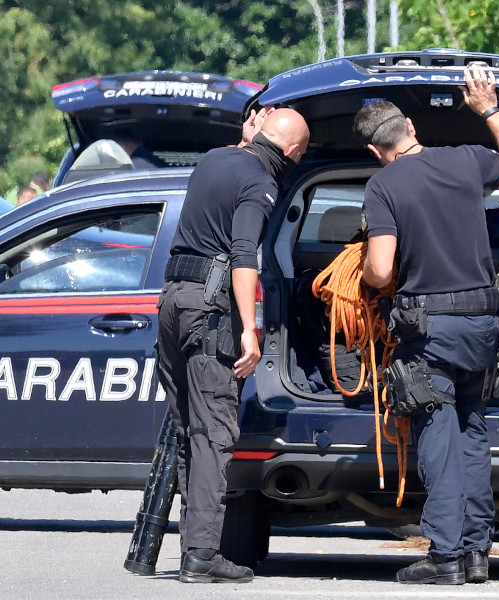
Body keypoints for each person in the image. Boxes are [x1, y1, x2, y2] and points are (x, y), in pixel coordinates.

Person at [353, 65, 499, 585]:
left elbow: (382, 269)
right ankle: (478, 551)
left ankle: (445, 555)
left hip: (429, 330)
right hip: (482, 323)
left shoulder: (382, 186)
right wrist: (489, 110)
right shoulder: (465, 161)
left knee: (436, 433)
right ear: (411, 126)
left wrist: (366, 268)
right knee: (471, 429)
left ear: (375, 150)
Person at [156, 107, 309, 584]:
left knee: (189, 431)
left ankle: (193, 547)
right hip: (210, 312)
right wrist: (249, 328)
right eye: (301, 152)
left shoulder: (212, 161)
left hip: (173, 303)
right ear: (292, 152)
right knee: (213, 434)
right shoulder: (260, 185)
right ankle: (202, 554)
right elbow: (245, 255)